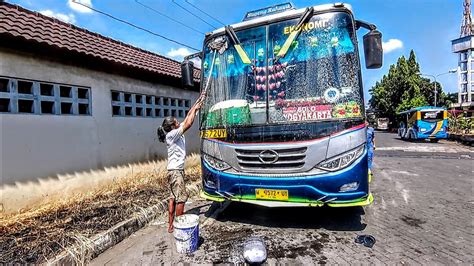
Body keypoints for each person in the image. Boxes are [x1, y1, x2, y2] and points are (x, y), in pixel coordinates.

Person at [157, 92, 205, 233]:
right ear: (172, 126)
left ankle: (171, 225)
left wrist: (198, 103)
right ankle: (179, 226)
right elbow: (189, 122)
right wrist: (195, 110)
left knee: (173, 198)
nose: (179, 122)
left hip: (171, 171)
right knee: (182, 198)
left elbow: (188, 116)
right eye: (176, 122)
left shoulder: (174, 132)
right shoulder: (173, 134)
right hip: (176, 172)